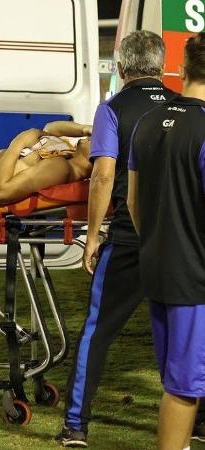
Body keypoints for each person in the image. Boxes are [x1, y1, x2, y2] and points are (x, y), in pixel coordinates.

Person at [55, 30, 180, 447]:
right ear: (162, 67)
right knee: (184, 334)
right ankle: (193, 422)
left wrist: (92, 236)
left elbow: (104, 175)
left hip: (129, 239)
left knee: (98, 330)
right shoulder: (187, 110)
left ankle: (76, 425)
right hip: (179, 243)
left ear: (121, 67)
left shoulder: (113, 110)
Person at [127, 33, 205, 450]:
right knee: (184, 386)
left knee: (181, 378)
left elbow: (134, 203)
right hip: (195, 281)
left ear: (183, 68)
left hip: (158, 268)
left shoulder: (147, 121)